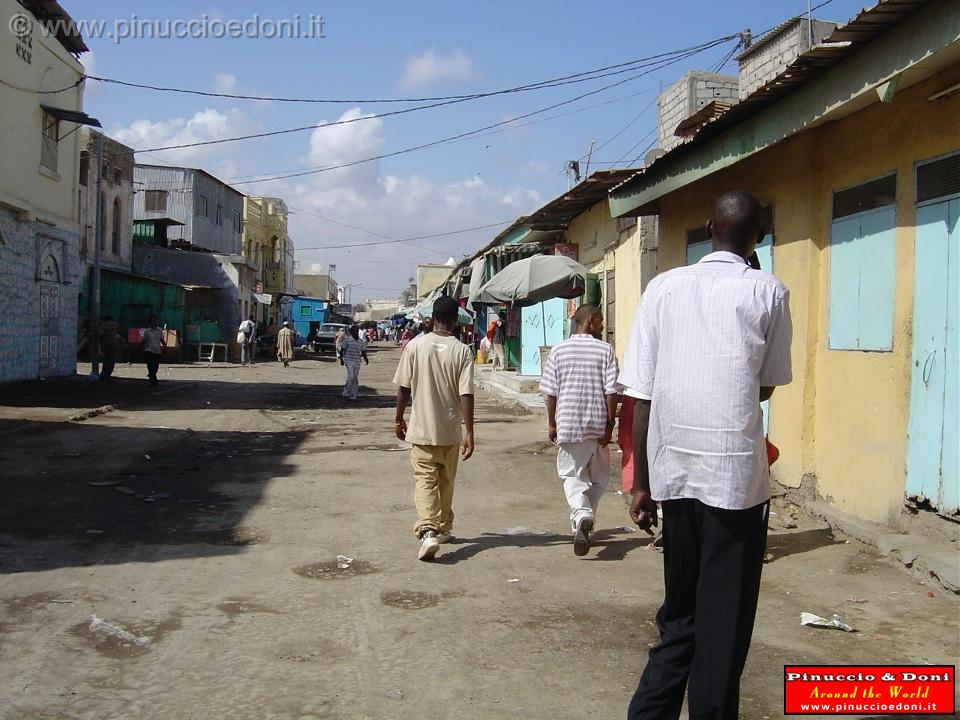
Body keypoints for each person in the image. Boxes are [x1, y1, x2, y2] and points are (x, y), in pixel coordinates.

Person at [620, 191, 793, 720]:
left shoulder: (662, 287)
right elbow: (766, 385)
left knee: (680, 617)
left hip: (674, 473)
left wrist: (641, 483)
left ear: (709, 228)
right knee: (724, 627)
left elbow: (641, 396)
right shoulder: (767, 290)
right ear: (757, 237)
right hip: (734, 481)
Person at [393, 296, 475, 561]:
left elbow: (404, 388)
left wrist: (398, 419)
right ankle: (443, 527)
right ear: (455, 320)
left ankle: (429, 530)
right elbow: (466, 394)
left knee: (425, 481)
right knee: (446, 482)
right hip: (450, 431)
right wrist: (470, 431)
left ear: (432, 319)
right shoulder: (462, 351)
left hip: (422, 431)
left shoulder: (415, 346)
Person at [539, 304, 619, 557]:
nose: (603, 325)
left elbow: (551, 393)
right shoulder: (606, 350)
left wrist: (552, 423)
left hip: (569, 423)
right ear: (591, 320)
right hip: (597, 425)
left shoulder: (558, 350)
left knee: (572, 476)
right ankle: (582, 522)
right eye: (601, 320)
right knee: (599, 478)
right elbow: (612, 391)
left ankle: (582, 515)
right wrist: (610, 424)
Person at [339, 325, 369, 400]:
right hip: (348, 360)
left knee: (355, 378)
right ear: (351, 332)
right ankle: (346, 392)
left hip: (357, 361)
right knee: (351, 377)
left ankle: (353, 394)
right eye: (354, 331)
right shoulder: (347, 340)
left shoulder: (361, 342)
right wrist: (341, 359)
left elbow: (363, 351)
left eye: (356, 331)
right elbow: (342, 350)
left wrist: (366, 359)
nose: (355, 332)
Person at [141, 315, 166, 387]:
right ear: (149, 322)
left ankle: (152, 377)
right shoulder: (147, 331)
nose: (153, 323)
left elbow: (162, 340)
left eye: (155, 321)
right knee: (150, 366)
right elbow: (143, 341)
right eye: (152, 321)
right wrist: (142, 349)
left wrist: (165, 347)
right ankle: (153, 381)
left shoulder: (160, 330)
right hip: (149, 351)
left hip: (157, 351)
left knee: (155, 367)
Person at [99, 315, 122, 382]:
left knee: (106, 360)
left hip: (105, 344)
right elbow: (119, 330)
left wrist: (101, 345)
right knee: (111, 361)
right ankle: (107, 375)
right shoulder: (115, 324)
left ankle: (103, 375)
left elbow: (101, 335)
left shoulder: (103, 325)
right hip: (113, 344)